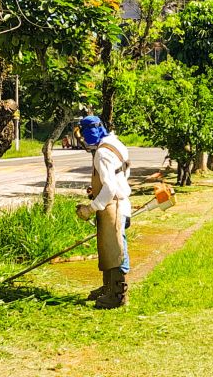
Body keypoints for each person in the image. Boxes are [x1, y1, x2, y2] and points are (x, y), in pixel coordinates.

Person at [75, 116, 132, 309]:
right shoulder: (115, 143)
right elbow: (121, 174)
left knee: (115, 249)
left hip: (113, 206)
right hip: (120, 202)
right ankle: (108, 288)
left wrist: (90, 208)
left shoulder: (102, 153)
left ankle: (117, 295)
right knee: (108, 247)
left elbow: (109, 188)